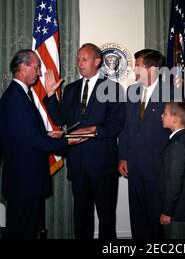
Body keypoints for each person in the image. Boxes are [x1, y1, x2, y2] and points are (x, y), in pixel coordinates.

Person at [43, 43, 125, 239]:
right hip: (78, 165)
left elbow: (117, 123)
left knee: (106, 218)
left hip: (103, 166)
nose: (79, 63)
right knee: (81, 217)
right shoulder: (71, 89)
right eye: (78, 59)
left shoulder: (112, 88)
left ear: (97, 61)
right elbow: (59, 119)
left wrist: (94, 130)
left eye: (84, 59)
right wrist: (50, 95)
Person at [0, 49, 82, 239]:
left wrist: (48, 133)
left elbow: (21, 132)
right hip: (24, 182)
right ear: (23, 68)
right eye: (36, 68)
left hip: (24, 181)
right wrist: (66, 140)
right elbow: (32, 139)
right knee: (22, 231)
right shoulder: (15, 98)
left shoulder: (19, 94)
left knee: (24, 228)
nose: (39, 73)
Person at [118, 49, 172, 239]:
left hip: (158, 167)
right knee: (137, 216)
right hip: (133, 165)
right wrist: (123, 157)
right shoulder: (132, 91)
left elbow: (177, 134)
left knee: (156, 219)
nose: (134, 69)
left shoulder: (171, 93)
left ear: (152, 69)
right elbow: (126, 128)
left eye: (138, 65)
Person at [159, 102, 185, 239]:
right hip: (178, 209)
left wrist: (167, 211)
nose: (162, 115)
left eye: (165, 113)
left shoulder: (178, 145)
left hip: (178, 212)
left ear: (175, 119)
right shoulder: (179, 140)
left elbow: (174, 181)